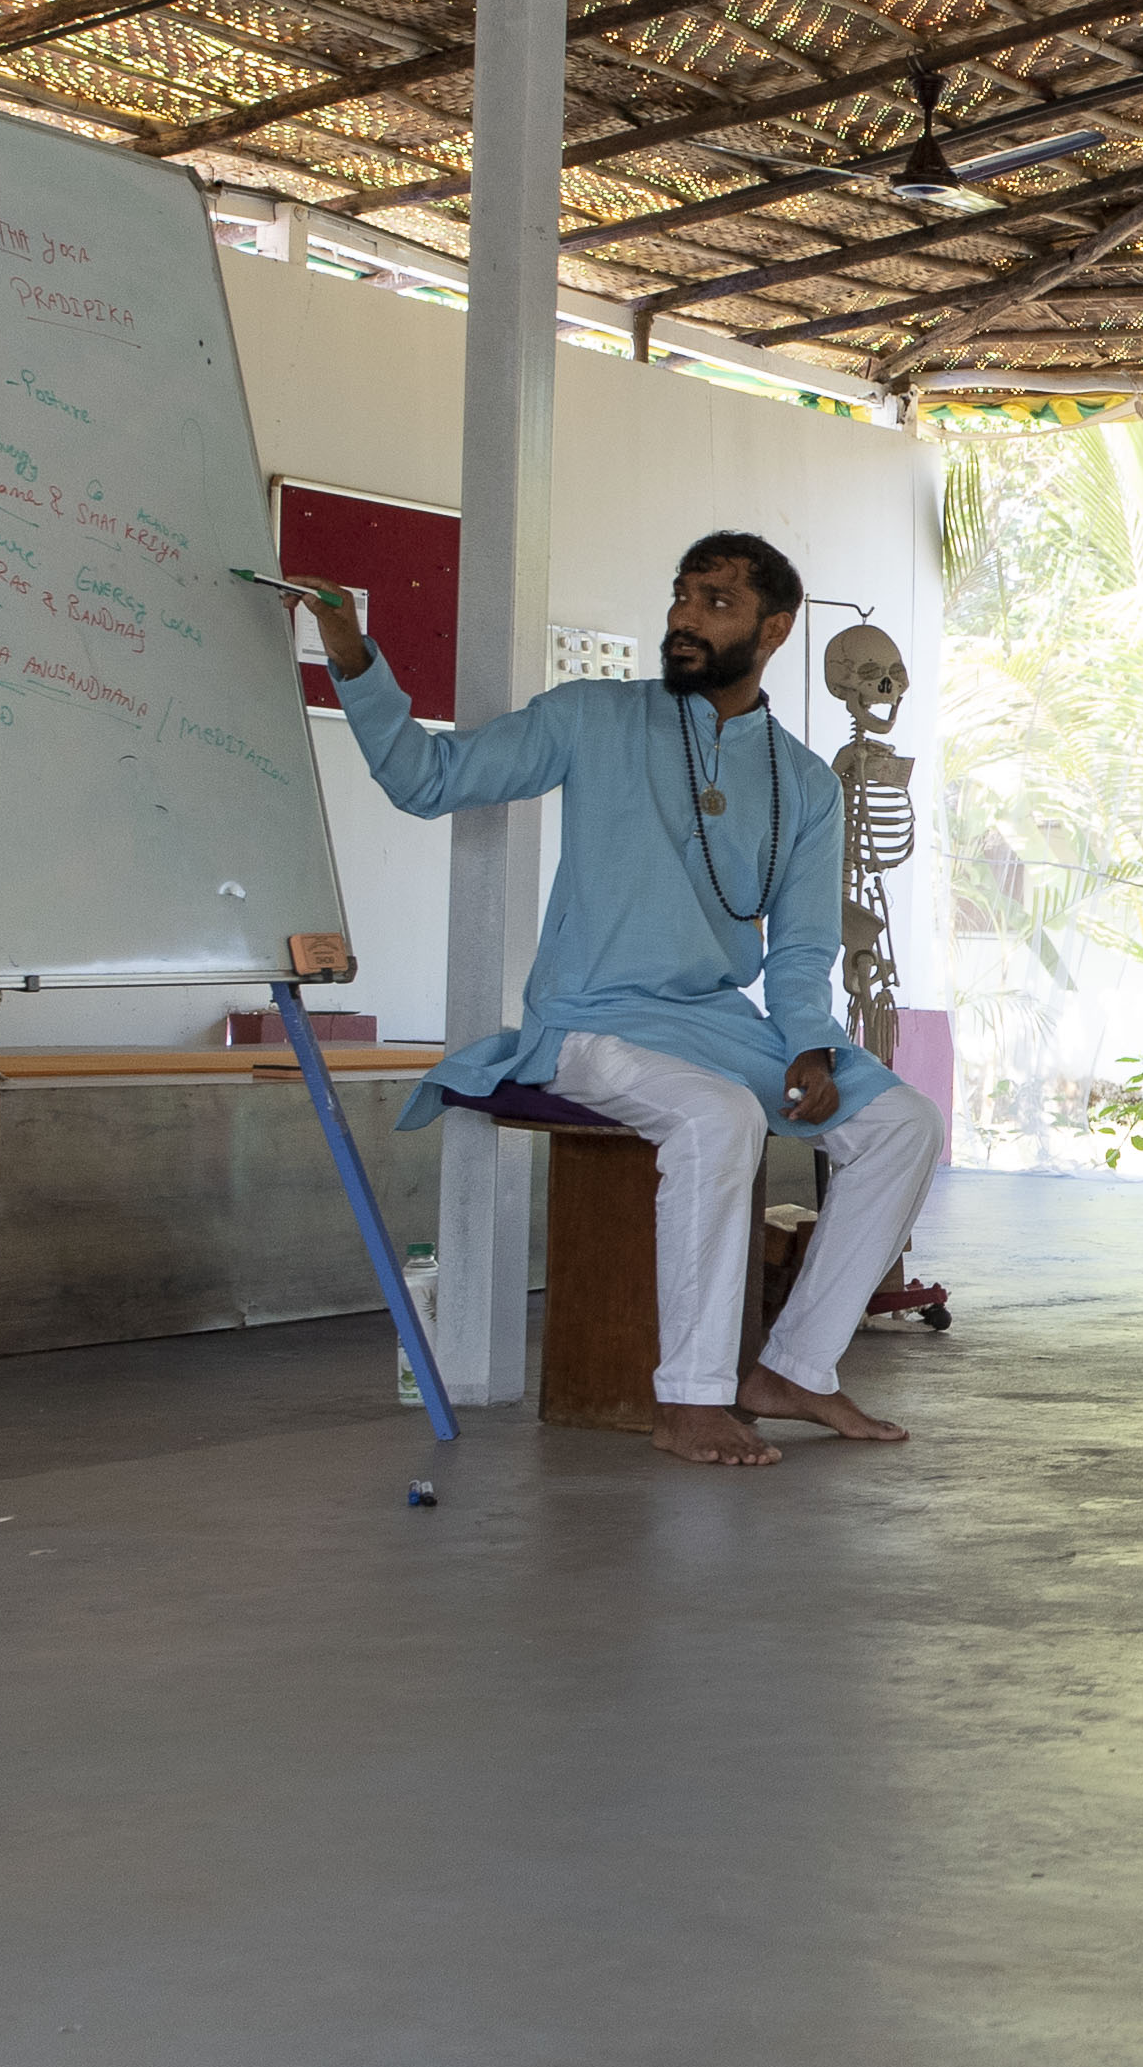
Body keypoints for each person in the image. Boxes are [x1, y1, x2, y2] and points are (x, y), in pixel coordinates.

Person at [290, 531, 944, 1470]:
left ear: (776, 628)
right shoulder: (591, 716)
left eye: (715, 603)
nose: (683, 618)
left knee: (904, 1123)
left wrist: (813, 1046)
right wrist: (352, 655)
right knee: (718, 1119)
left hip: (723, 1028)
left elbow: (800, 953)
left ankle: (795, 1367)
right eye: (681, 596)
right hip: (590, 1020)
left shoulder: (804, 782)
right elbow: (428, 781)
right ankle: (687, 1400)